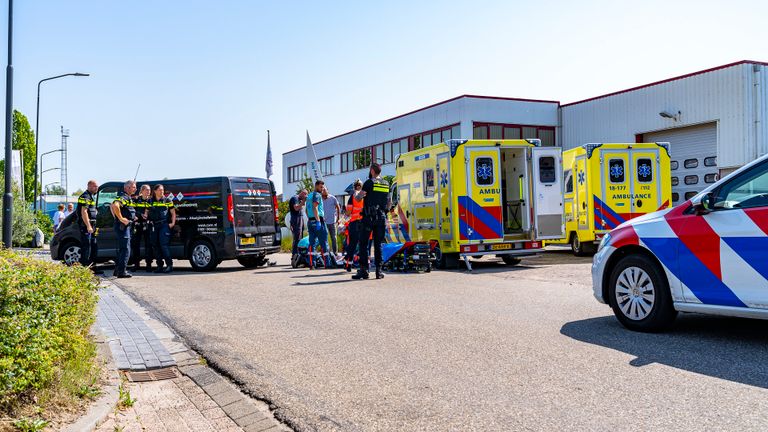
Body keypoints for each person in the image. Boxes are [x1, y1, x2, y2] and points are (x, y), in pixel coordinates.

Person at [353, 163, 390, 280]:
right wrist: (384, 212)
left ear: (372, 171)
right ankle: (379, 271)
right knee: (378, 244)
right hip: (381, 217)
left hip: (369, 218)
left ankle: (364, 270)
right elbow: (388, 201)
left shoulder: (369, 183)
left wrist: (357, 193)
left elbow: (358, 198)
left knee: (363, 243)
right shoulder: (386, 183)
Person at [111, 180, 138, 278]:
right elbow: (114, 205)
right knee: (126, 249)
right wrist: (121, 218)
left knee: (123, 249)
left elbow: (113, 206)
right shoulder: (123, 197)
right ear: (127, 188)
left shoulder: (128, 198)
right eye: (134, 187)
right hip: (123, 227)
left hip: (126, 226)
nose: (135, 189)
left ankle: (117, 270)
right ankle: (122, 272)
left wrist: (132, 217)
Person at [149, 184, 176, 273]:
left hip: (164, 225)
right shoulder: (150, 201)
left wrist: (172, 223)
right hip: (154, 226)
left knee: (164, 245)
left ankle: (169, 265)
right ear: (155, 191)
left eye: (163, 190)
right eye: (160, 190)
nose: (162, 191)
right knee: (155, 246)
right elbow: (146, 211)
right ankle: (159, 266)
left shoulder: (167, 200)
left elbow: (173, 213)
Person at [76, 180, 102, 274]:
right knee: (86, 247)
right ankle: (84, 269)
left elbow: (91, 210)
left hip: (93, 226)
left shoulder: (91, 197)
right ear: (89, 186)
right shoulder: (85, 196)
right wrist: (88, 226)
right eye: (95, 186)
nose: (97, 188)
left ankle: (92, 268)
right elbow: (84, 212)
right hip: (86, 227)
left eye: (97, 186)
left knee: (94, 246)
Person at [129, 184, 153, 272]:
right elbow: (131, 210)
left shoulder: (151, 200)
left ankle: (149, 265)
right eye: (146, 190)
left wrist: (148, 215)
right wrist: (140, 215)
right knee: (135, 245)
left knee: (148, 245)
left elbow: (155, 211)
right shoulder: (135, 200)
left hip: (148, 225)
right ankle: (136, 264)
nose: (148, 192)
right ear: (142, 191)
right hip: (137, 225)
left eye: (149, 190)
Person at [306, 180, 329, 269]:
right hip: (318, 221)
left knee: (312, 243)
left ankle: (312, 264)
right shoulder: (317, 195)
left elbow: (307, 210)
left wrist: (310, 219)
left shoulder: (309, 195)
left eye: (323, 187)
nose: (322, 189)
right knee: (324, 242)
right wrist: (318, 221)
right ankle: (327, 264)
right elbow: (315, 207)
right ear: (316, 186)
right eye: (321, 187)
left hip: (310, 221)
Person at [344, 179, 364, 272]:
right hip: (363, 222)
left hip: (354, 223)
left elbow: (348, 212)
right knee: (363, 245)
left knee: (352, 244)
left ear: (355, 187)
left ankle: (348, 264)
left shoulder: (352, 196)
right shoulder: (364, 195)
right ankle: (362, 265)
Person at [288, 189, 307, 267]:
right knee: (297, 238)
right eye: (305, 195)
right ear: (302, 193)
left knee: (300, 238)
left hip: (300, 218)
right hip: (296, 219)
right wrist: (303, 202)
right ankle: (294, 256)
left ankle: (299, 256)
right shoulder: (295, 198)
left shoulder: (299, 199)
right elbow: (296, 208)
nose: (305, 197)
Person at [322, 187, 340, 257]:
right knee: (324, 238)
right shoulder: (320, 199)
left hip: (332, 221)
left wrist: (338, 217)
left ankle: (335, 252)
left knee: (334, 238)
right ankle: (326, 253)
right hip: (324, 222)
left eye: (325, 191)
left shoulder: (332, 198)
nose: (324, 192)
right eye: (323, 191)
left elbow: (338, 207)